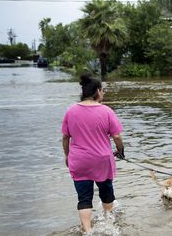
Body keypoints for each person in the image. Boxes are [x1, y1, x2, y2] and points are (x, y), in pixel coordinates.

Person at [61, 74, 125, 234]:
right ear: (97, 91)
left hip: (79, 161)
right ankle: (109, 225)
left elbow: (65, 137)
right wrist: (120, 150)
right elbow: (116, 136)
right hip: (102, 161)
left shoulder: (71, 111)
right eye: (102, 90)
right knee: (107, 193)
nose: (103, 93)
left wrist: (67, 156)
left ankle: (88, 231)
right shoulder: (106, 111)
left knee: (84, 199)